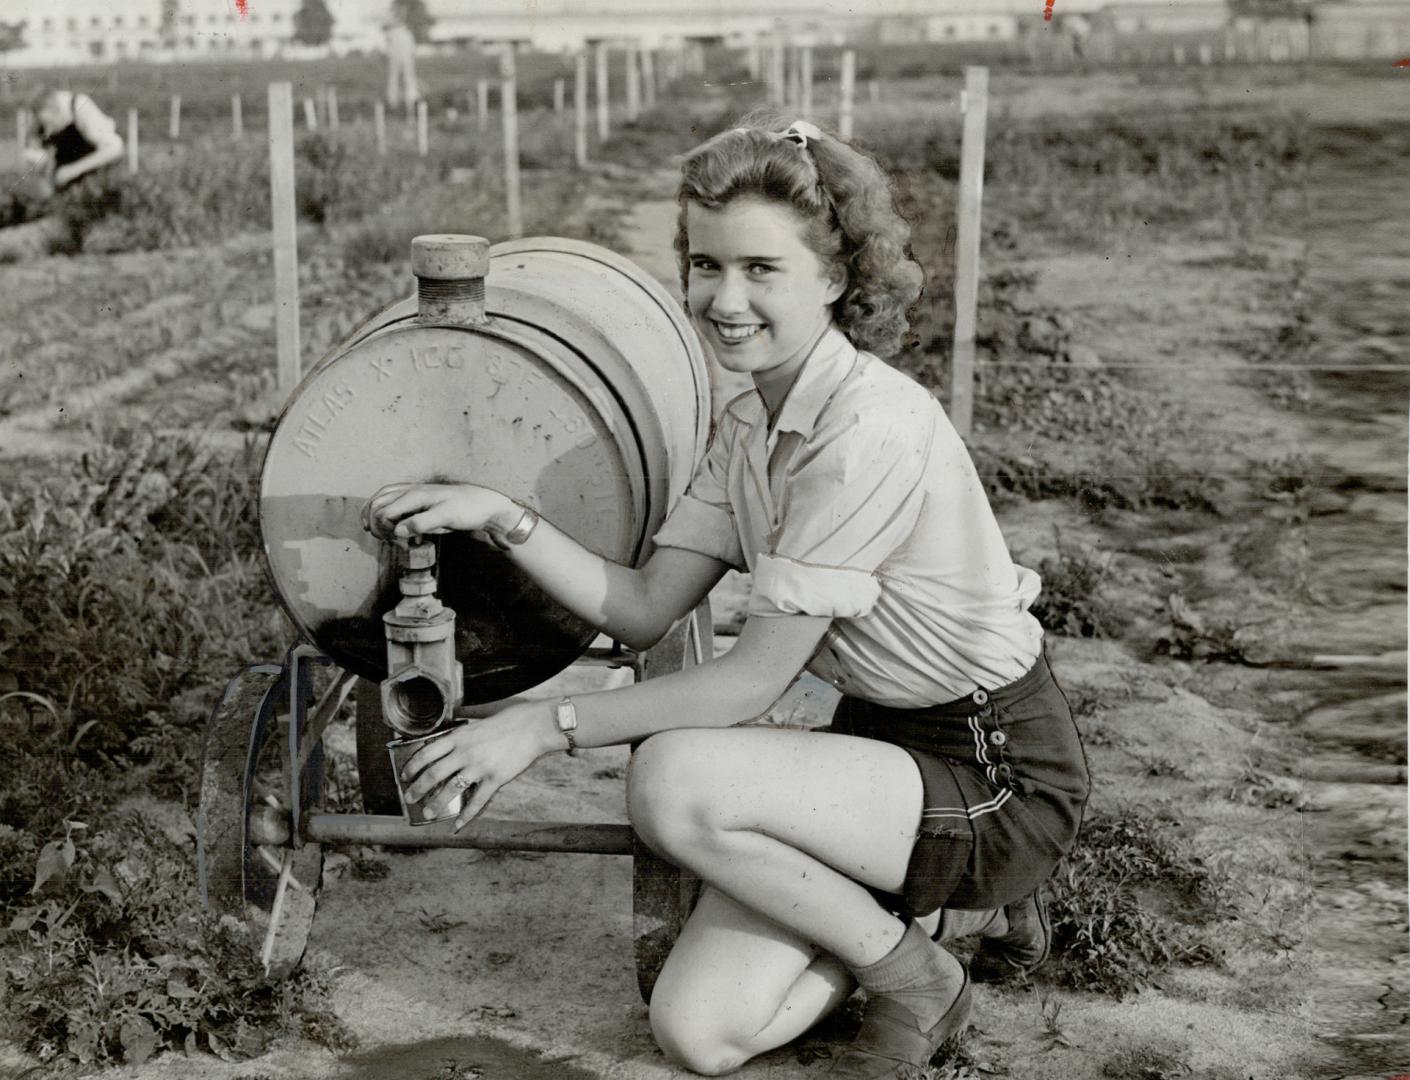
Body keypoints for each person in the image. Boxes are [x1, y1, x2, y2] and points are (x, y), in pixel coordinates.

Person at [362, 116, 1090, 1078]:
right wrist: (502, 515)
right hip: (883, 749)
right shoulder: (752, 422)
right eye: (706, 266)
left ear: (835, 278)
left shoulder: (866, 430)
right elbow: (643, 607)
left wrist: (541, 726)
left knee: (673, 781)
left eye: (762, 269)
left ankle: (919, 972)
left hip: (994, 769)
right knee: (701, 1034)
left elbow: (746, 685)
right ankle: (948, 910)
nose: (725, 297)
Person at [24, 88, 125, 195]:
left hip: (100, 170)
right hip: (67, 177)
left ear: (56, 110)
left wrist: (72, 171)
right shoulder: (38, 116)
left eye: (50, 124)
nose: (48, 131)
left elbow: (116, 148)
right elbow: (31, 151)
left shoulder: (80, 107)